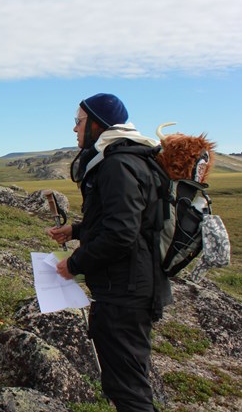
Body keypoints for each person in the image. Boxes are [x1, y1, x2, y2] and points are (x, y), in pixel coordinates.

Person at [48, 93, 172, 412]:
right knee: (128, 384)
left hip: (125, 294)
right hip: (132, 287)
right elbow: (126, 218)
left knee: (128, 391)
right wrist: (75, 231)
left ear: (97, 124)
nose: (74, 129)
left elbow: (121, 233)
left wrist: (74, 263)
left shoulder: (117, 163)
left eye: (78, 121)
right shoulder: (129, 157)